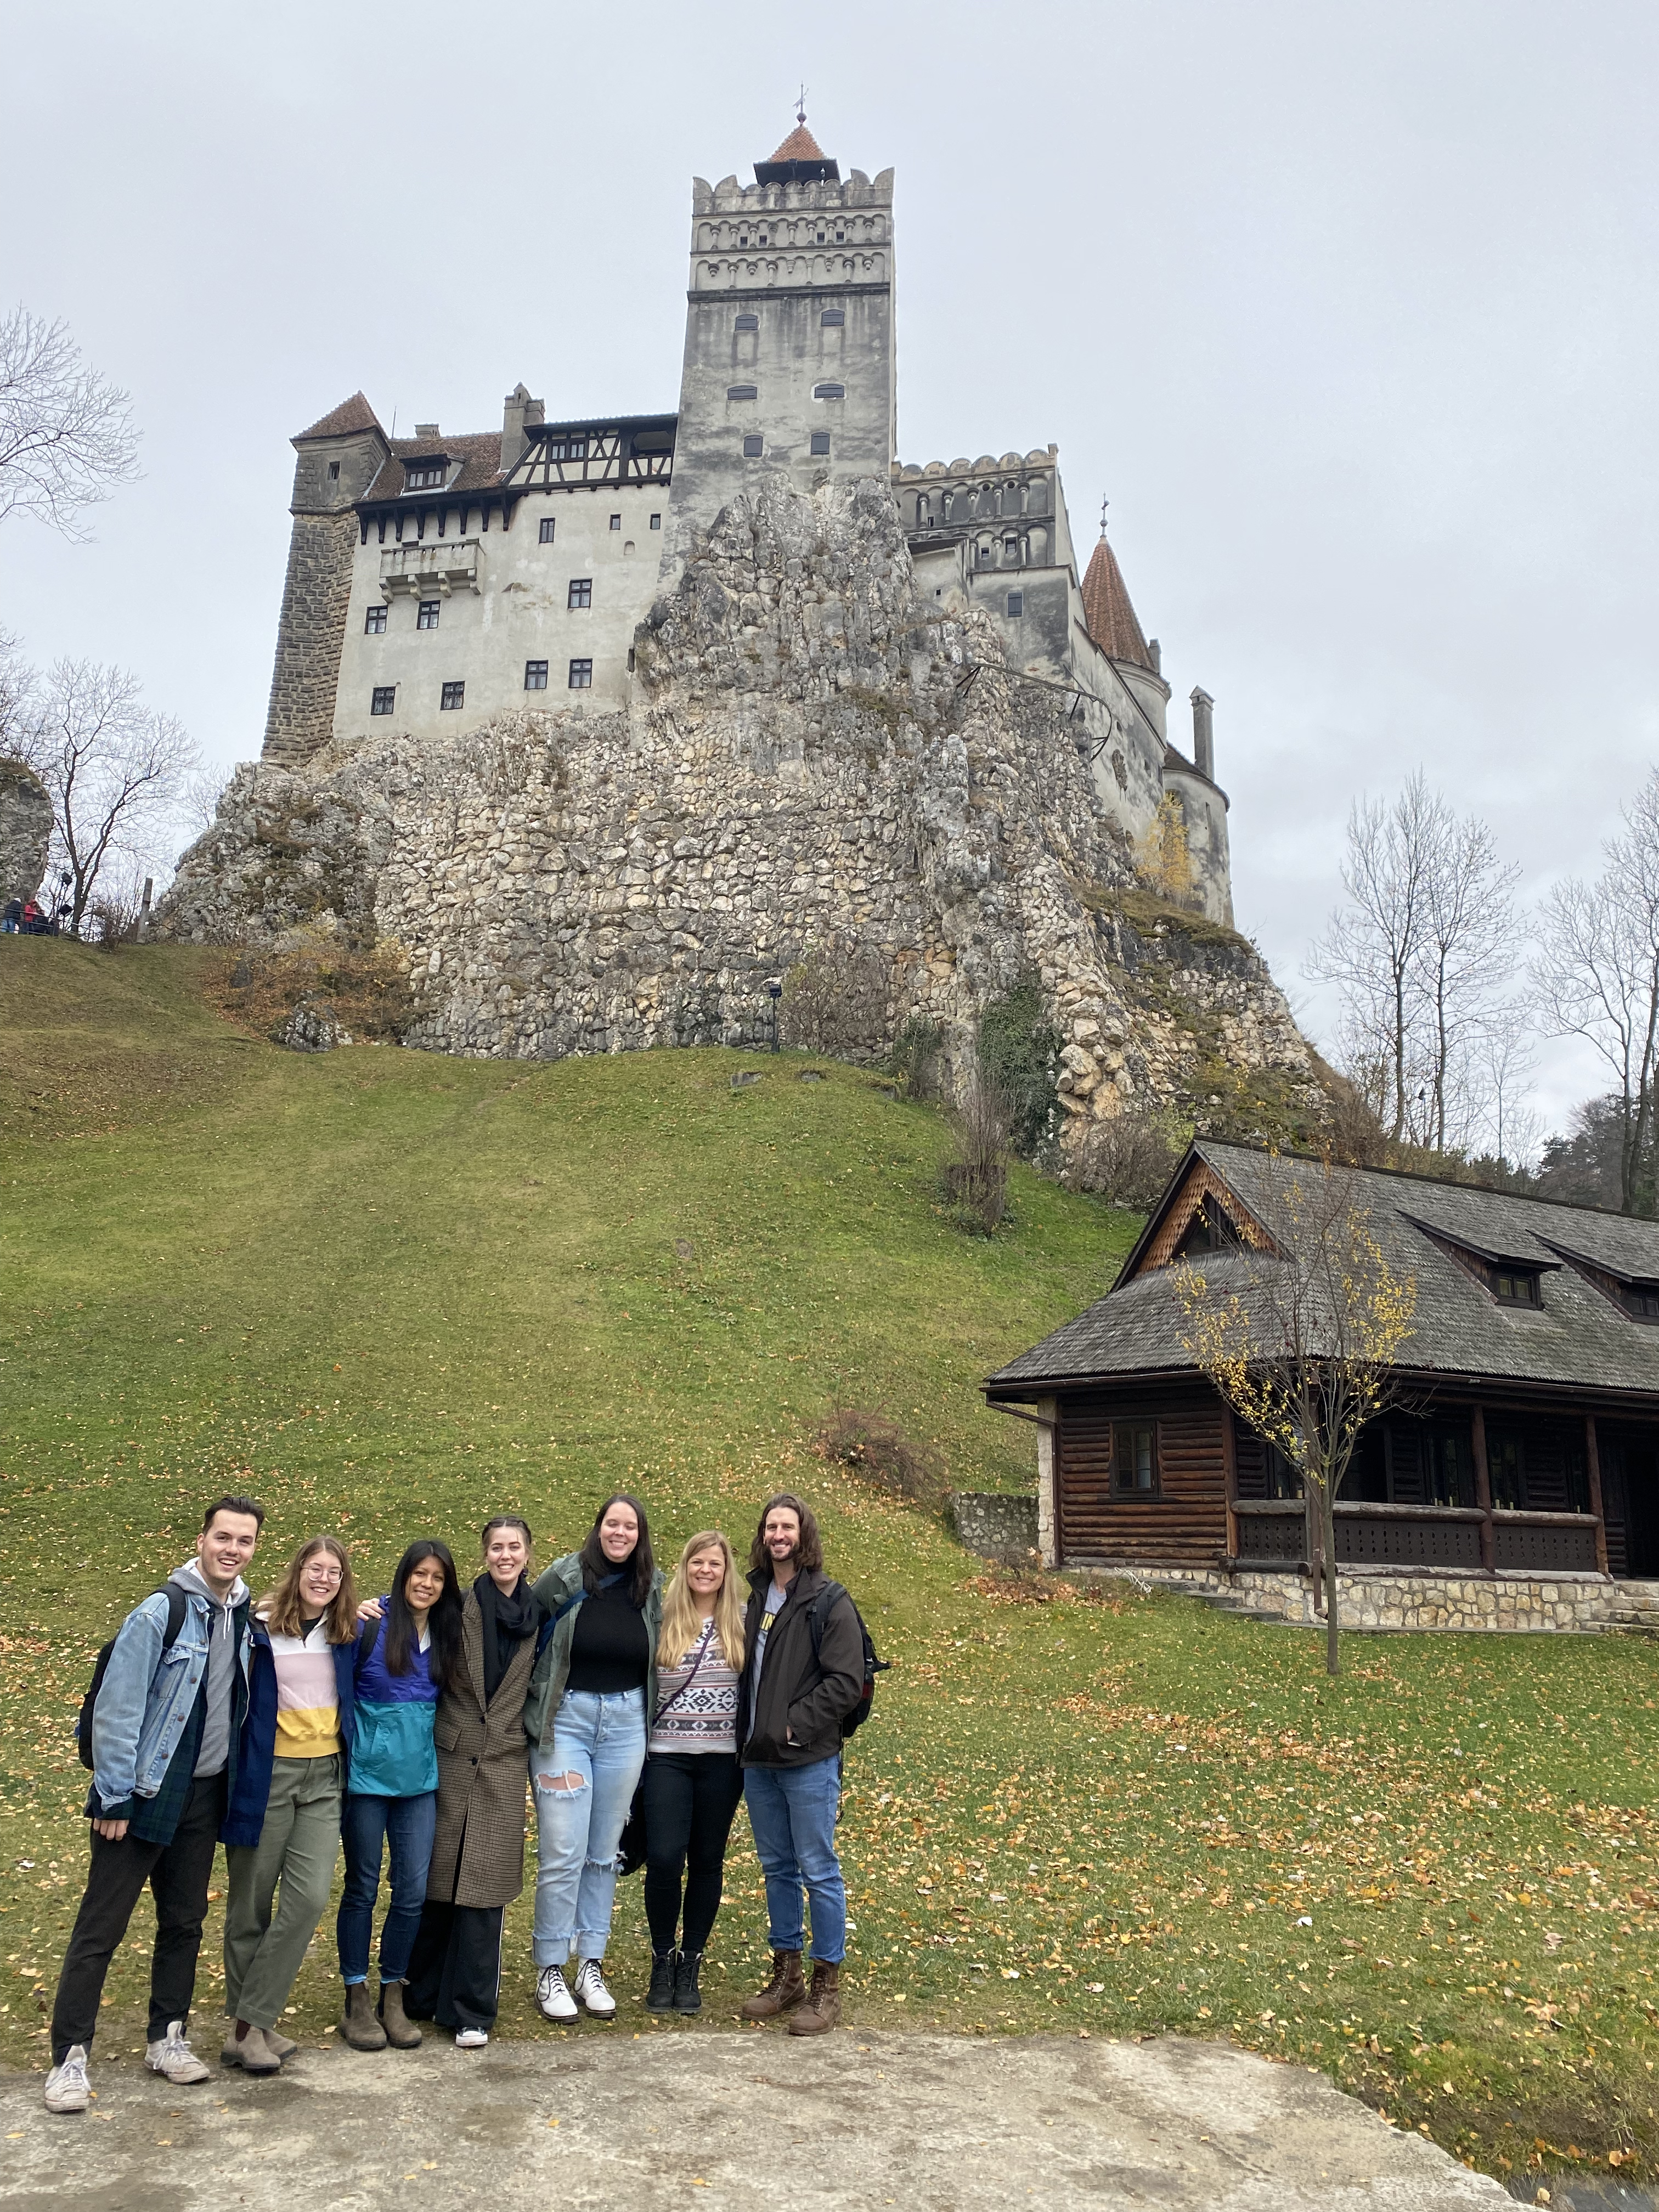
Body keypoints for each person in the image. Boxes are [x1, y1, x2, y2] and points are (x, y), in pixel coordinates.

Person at [44, 1496, 263, 2115]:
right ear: (201, 1540)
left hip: (204, 1794)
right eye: (223, 1537)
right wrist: (112, 1795)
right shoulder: (160, 1612)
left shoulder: (242, 1615)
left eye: (244, 1541)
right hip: (142, 1794)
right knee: (101, 1928)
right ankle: (70, 2059)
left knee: (185, 1921)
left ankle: (167, 2038)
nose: (232, 1549)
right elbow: (117, 1708)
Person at [404, 1515, 546, 2049]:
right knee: (437, 1884)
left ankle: (471, 2011)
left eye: (514, 1547)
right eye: (496, 1548)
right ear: (484, 1554)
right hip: (450, 1758)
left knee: (484, 1893)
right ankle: (418, 1997)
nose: (505, 1555)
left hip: (504, 1764)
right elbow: (406, 1609)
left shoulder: (538, 1617)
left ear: (527, 1555)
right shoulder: (457, 1608)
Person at [220, 1534, 359, 2074]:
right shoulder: (258, 1627)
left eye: (335, 1573)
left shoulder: (348, 1633)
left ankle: (245, 2024)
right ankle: (250, 2030)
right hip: (267, 1776)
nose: (324, 1579)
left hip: (325, 1778)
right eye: (315, 1568)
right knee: (250, 1907)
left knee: (308, 1900)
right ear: (298, 1570)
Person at [524, 1494, 661, 2024]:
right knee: (563, 1849)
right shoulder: (565, 1576)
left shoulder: (651, 1587)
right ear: (598, 1527)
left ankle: (591, 1963)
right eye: (612, 1523)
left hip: (627, 1725)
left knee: (604, 1852)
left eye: (630, 1526)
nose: (620, 1533)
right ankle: (551, 1967)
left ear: (639, 1534)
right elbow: (517, 1614)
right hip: (567, 1724)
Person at [737, 1492, 864, 2036]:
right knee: (777, 1868)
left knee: (819, 1869)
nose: (778, 1535)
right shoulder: (756, 1596)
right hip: (759, 1762)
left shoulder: (829, 1601)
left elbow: (846, 1682)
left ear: (803, 1534)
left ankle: (826, 1986)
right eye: (771, 1527)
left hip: (808, 1759)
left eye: (787, 1526)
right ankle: (786, 1975)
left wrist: (794, 1725)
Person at [335, 1541, 462, 2053]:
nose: (426, 1584)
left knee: (411, 1893)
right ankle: (355, 1996)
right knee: (362, 1887)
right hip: (366, 1783)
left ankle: (394, 1993)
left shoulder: (447, 1632)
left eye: (436, 1577)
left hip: (419, 1785)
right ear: (403, 1576)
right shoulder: (370, 1624)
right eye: (419, 1574)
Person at [643, 1530, 747, 2017]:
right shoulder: (661, 1619)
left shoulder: (742, 1624)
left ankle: (692, 1961)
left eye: (716, 1564)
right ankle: (663, 1958)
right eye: (697, 1563)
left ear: (727, 1573)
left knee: (707, 1860)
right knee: (665, 1857)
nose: (706, 1571)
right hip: (667, 1755)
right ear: (684, 1568)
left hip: (722, 1759)